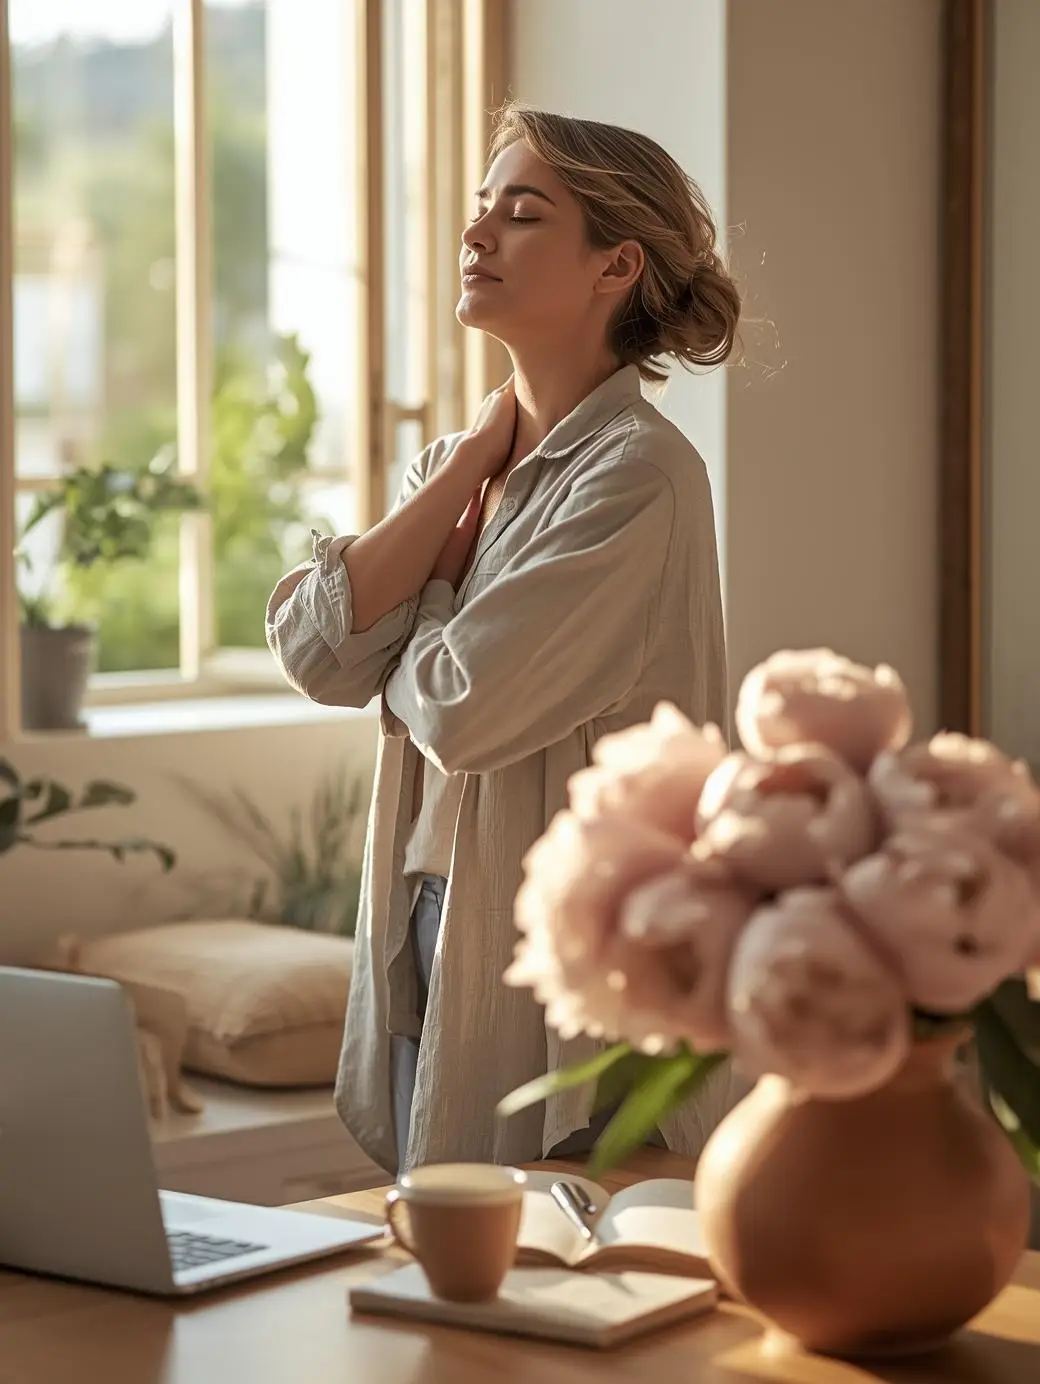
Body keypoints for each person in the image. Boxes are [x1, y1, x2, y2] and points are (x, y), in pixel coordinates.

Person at [267, 104, 745, 1175]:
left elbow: (461, 709)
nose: (476, 234)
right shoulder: (456, 465)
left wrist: (429, 597)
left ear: (613, 265)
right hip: (426, 903)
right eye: (480, 208)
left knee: (543, 1251)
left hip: (556, 943)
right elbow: (317, 656)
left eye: (520, 214)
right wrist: (459, 472)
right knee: (441, 1240)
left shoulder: (638, 476)